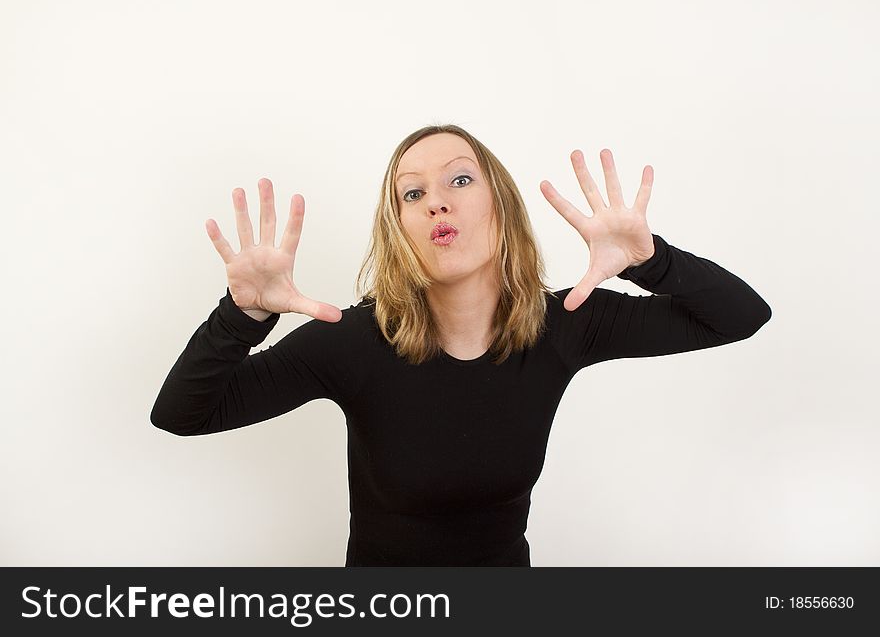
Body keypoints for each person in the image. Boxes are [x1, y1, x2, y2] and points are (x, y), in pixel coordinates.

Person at [150, 124, 772, 566]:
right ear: (402, 233)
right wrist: (243, 315)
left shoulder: (569, 321)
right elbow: (182, 414)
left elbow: (741, 316)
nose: (436, 200)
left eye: (459, 179)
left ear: (500, 208)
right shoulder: (354, 340)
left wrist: (649, 260)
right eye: (412, 193)